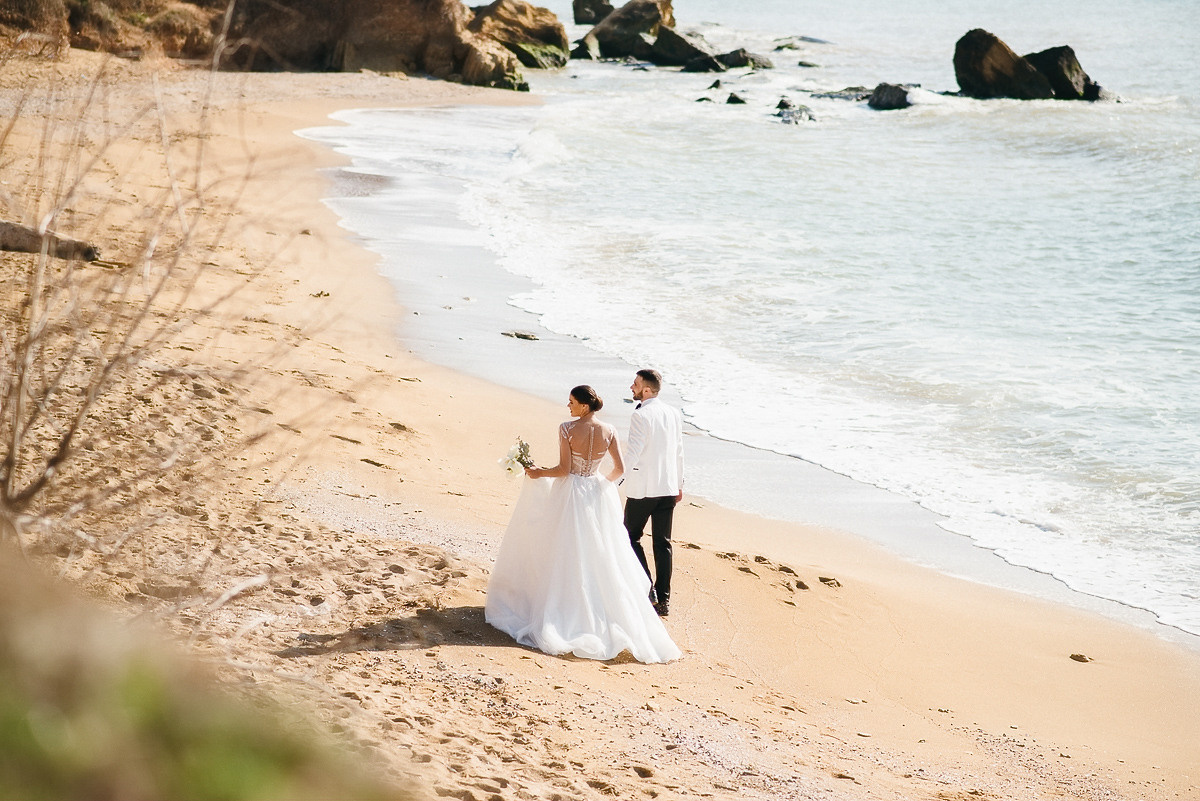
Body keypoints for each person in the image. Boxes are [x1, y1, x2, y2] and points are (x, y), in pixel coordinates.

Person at [485, 385, 680, 663]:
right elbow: (620, 469)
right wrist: (601, 485)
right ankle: (600, 610)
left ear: (584, 406)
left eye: (572, 402)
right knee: (599, 554)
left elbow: (564, 470)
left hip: (570, 493)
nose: (568, 406)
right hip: (595, 493)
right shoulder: (609, 430)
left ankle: (562, 609)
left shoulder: (566, 428)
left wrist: (539, 472)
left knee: (562, 548)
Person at [623, 369, 684, 617]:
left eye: (635, 384)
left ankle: (649, 591)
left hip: (644, 489)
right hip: (668, 487)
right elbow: (679, 451)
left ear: (646, 390)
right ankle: (665, 601)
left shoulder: (641, 415)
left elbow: (634, 452)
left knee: (629, 537)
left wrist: (614, 479)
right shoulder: (673, 413)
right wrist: (679, 484)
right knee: (663, 543)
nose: (632, 388)